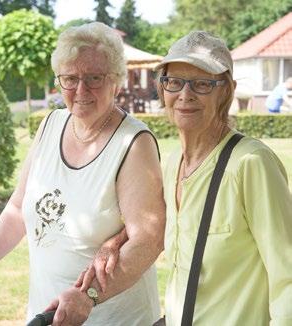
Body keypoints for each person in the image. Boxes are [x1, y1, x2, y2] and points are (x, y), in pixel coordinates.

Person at [0, 22, 165, 325]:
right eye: (70, 78)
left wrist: (89, 297)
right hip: (46, 315)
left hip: (112, 317)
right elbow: (18, 208)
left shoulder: (133, 143)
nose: (81, 89)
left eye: (94, 78)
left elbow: (149, 240)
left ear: (116, 81)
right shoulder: (51, 125)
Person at [79, 31, 292, 325]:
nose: (185, 94)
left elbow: (287, 275)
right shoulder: (173, 163)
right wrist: (114, 242)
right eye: (174, 82)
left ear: (226, 91)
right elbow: (178, 224)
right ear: (162, 89)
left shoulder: (251, 164)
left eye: (203, 84)